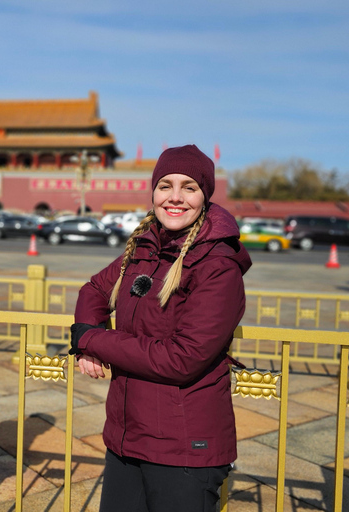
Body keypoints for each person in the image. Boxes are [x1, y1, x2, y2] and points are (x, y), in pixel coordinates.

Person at [71, 144, 251, 512]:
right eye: (165, 185)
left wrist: (93, 339)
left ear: (205, 196)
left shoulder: (217, 265)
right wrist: (89, 334)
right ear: (153, 192)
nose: (175, 197)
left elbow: (181, 359)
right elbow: (95, 289)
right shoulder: (143, 249)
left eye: (189, 187)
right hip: (126, 438)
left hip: (183, 448)